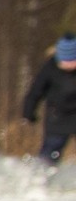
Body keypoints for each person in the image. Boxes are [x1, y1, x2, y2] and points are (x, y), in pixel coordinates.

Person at [20, 33, 76, 167]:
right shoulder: (50, 68)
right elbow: (35, 91)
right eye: (65, 61)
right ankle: (42, 179)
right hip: (57, 117)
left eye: (72, 61)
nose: (68, 65)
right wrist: (28, 113)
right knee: (50, 153)